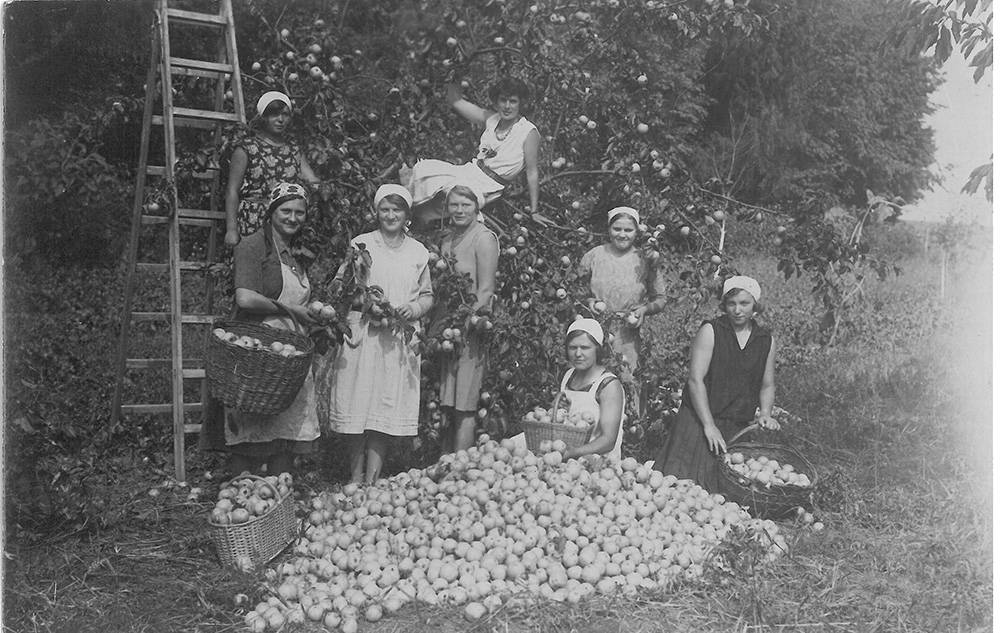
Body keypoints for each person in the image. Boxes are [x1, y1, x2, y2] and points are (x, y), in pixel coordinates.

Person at [326, 184, 434, 484]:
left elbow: (427, 295)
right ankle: (355, 477)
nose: (390, 215)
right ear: (376, 211)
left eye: (397, 209)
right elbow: (341, 288)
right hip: (364, 333)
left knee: (384, 405)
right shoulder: (361, 244)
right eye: (385, 209)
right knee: (358, 401)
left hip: (397, 339)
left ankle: (372, 480)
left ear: (406, 214)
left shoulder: (418, 252)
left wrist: (413, 309)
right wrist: (366, 304)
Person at [212, 182, 321, 475]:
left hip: (290, 351)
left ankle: (277, 500)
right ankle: (242, 497)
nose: (293, 218)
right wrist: (292, 311)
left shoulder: (299, 252)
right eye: (286, 210)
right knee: (253, 427)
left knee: (285, 433)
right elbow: (245, 297)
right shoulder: (252, 245)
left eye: (300, 212)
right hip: (258, 346)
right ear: (271, 211)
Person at [652, 276, 780, 493]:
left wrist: (765, 412)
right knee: (680, 487)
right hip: (698, 419)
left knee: (727, 492)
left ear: (755, 306)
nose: (737, 310)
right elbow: (695, 380)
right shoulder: (711, 331)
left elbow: (767, 385)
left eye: (744, 303)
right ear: (724, 305)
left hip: (736, 423)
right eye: (731, 304)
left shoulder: (765, 340)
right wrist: (709, 426)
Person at [402, 77, 541, 223]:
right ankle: (407, 212)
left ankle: (419, 222)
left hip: (489, 185)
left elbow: (532, 172)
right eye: (503, 100)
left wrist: (534, 211)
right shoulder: (491, 119)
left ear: (521, 103)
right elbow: (456, 101)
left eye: (513, 101)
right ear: (496, 102)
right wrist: (455, 70)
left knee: (457, 197)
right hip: (470, 171)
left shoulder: (528, 131)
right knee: (424, 169)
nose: (507, 106)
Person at [437, 185, 500, 454]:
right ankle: (443, 460)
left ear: (477, 207)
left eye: (466, 205)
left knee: (465, 401)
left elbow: (485, 289)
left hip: (470, 329)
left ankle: (460, 465)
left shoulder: (484, 238)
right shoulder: (448, 239)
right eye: (454, 205)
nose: (460, 210)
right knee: (448, 400)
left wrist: (465, 323)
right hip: (448, 329)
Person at [224, 91, 319, 246]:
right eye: (274, 114)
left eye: (285, 115)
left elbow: (313, 182)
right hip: (253, 221)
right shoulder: (247, 148)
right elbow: (232, 190)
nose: (280, 120)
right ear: (263, 117)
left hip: (285, 222)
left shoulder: (293, 150)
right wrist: (231, 229)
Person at [554, 319, 626, 461]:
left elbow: (608, 440)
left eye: (585, 347)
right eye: (572, 348)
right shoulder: (568, 376)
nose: (578, 354)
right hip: (566, 456)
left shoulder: (608, 385)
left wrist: (572, 453)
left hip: (598, 464)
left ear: (597, 349)